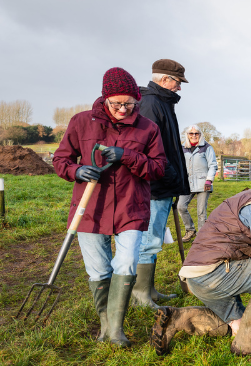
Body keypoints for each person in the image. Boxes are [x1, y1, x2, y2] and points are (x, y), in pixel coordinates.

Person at [53, 67, 167, 347]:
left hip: (131, 207)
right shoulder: (81, 122)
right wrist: (77, 171)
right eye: (117, 103)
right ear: (105, 98)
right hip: (90, 208)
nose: (123, 109)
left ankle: (116, 330)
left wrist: (127, 155)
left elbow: (159, 168)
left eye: (130, 103)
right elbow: (61, 160)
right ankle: (105, 326)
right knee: (98, 270)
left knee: (127, 261)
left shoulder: (148, 128)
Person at [150, 180, 251, 356]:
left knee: (240, 327)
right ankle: (249, 342)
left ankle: (178, 319)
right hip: (213, 274)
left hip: (197, 274)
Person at [134, 59, 191, 308]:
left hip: (164, 186)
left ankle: (150, 290)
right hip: (153, 187)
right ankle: (140, 294)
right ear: (165, 80)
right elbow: (149, 150)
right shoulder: (150, 104)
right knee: (148, 241)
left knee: (154, 240)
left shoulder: (163, 103)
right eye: (178, 82)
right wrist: (169, 177)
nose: (179, 88)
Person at [177, 124, 218, 242]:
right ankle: (190, 230)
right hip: (187, 184)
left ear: (200, 135)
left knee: (201, 212)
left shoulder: (206, 147)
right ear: (187, 135)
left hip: (203, 184)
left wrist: (209, 180)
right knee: (181, 206)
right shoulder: (182, 148)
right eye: (191, 133)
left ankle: (201, 236)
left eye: (196, 133)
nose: (194, 136)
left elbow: (213, 165)